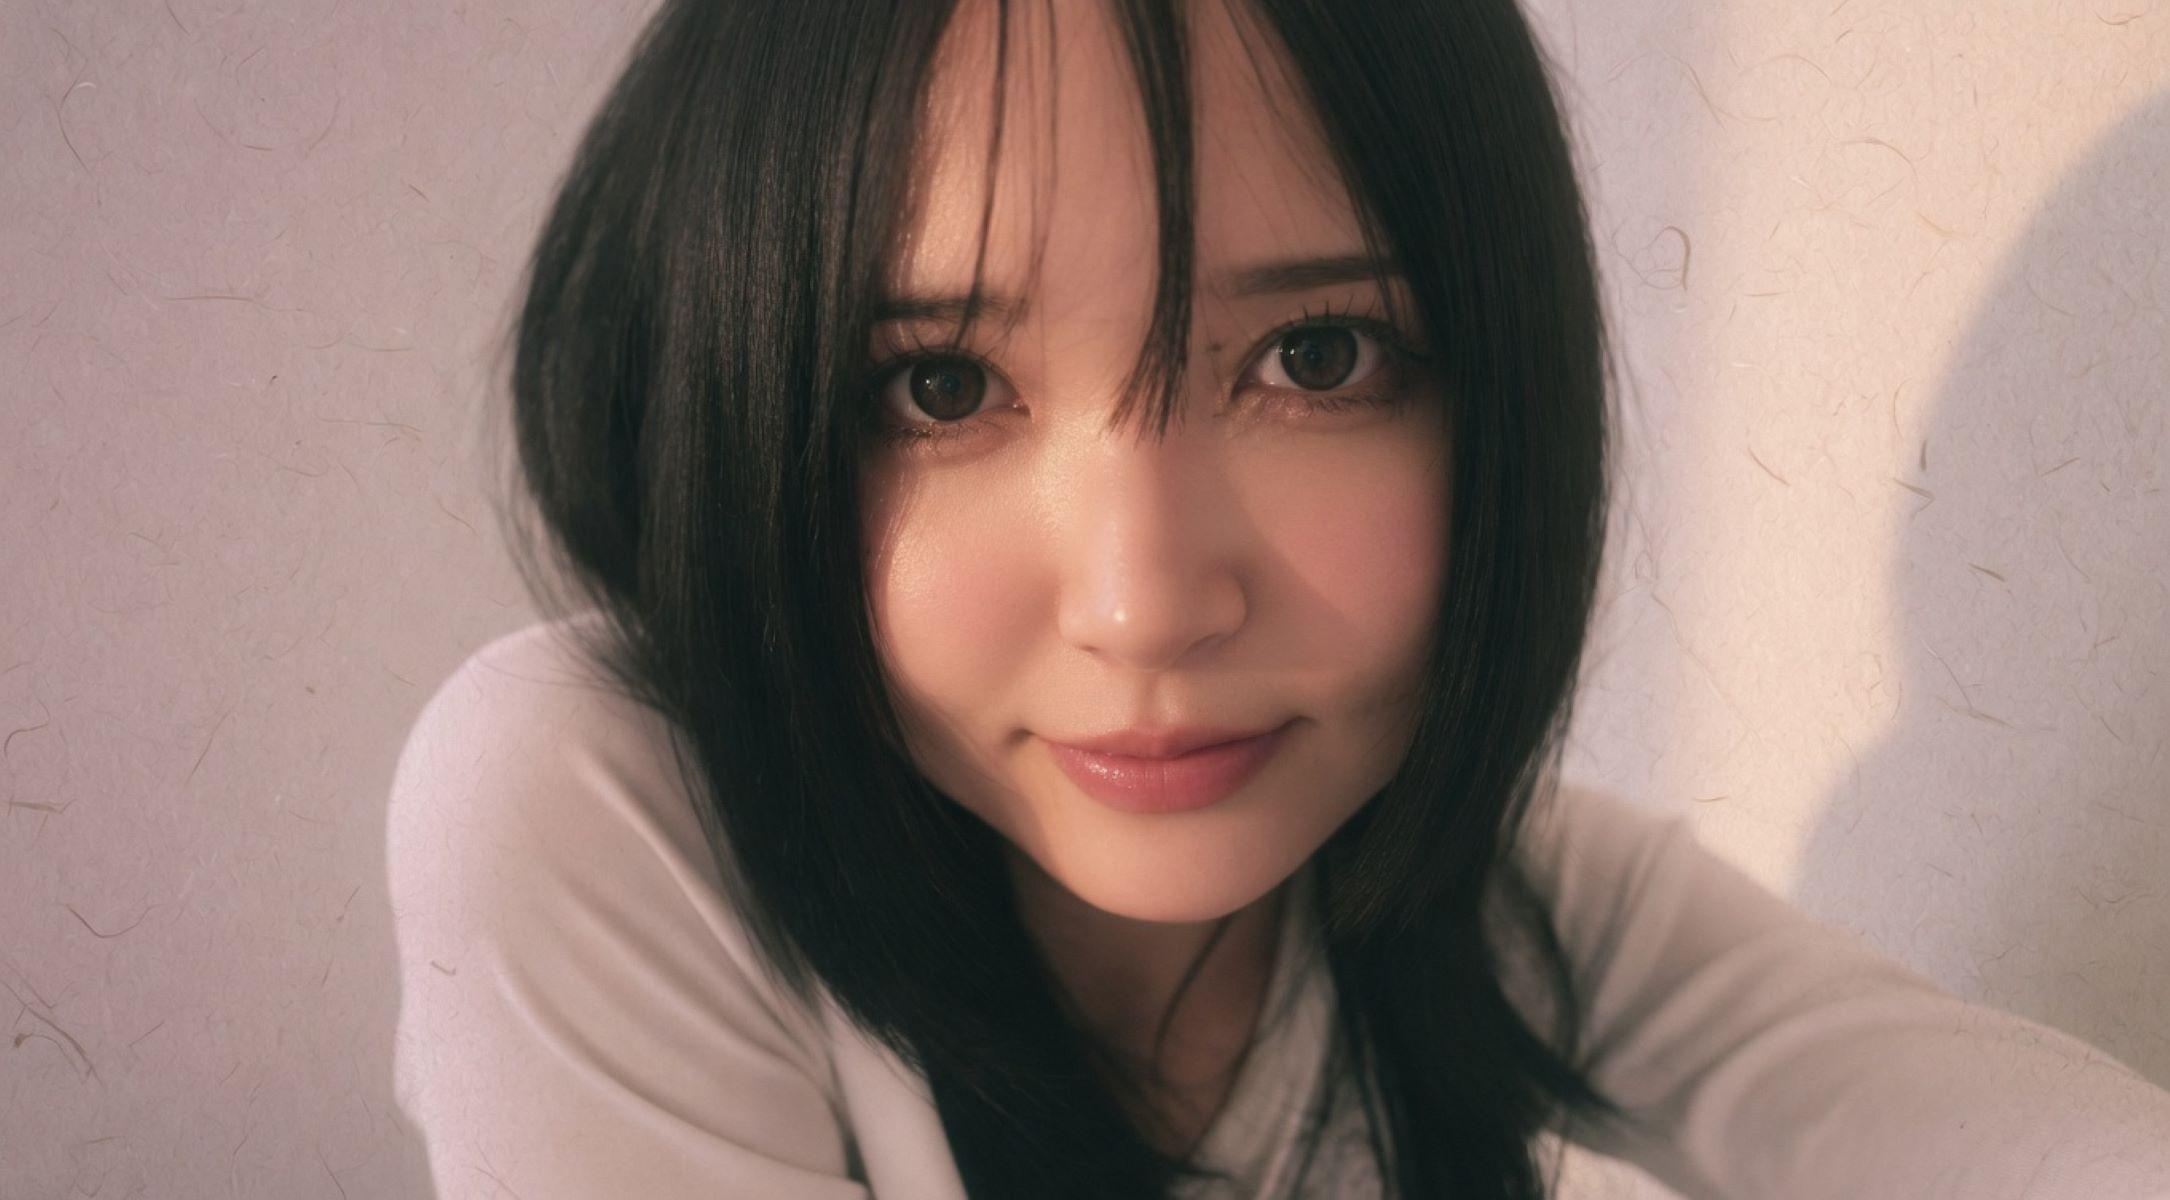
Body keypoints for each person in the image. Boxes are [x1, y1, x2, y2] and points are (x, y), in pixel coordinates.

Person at [384, 0, 2170, 1196]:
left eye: (1315, 357)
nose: (1146, 604)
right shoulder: (605, 798)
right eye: (939, 386)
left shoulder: (1507, 904)